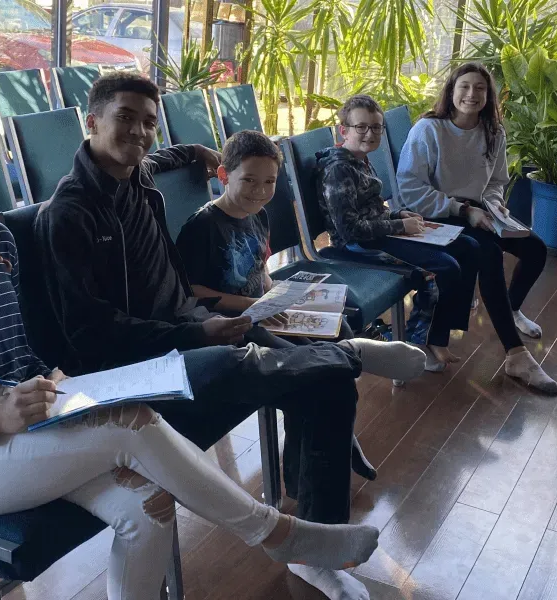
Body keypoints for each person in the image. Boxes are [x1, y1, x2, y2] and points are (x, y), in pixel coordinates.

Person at [0, 96, 383, 600]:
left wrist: (51, 381)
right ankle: (278, 534)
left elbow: (13, 352)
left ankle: (283, 533)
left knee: (148, 506)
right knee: (130, 420)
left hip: (9, 412)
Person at [34, 72, 426, 600]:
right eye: (125, 118)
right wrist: (197, 330)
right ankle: (350, 349)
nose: (140, 132)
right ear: (92, 121)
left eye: (149, 121)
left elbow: (159, 154)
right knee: (256, 361)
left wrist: (194, 151)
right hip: (132, 366)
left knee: (329, 383)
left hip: (185, 328)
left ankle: (315, 552)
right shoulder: (69, 214)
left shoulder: (138, 178)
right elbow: (88, 335)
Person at [396, 62, 557, 395]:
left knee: (535, 249)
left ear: (488, 95)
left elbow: (497, 181)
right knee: (488, 255)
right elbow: (409, 188)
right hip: (436, 213)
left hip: (480, 210)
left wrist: (496, 204)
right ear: (451, 91)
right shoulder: (429, 130)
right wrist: (462, 210)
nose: (472, 94)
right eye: (465, 87)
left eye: (480, 88)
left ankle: (510, 309)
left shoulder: (494, 131)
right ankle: (516, 355)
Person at [316, 95, 480, 372]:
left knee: (469, 246)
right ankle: (425, 341)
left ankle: (442, 328)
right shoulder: (339, 168)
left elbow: (370, 210)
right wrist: (399, 226)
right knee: (445, 266)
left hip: (379, 233)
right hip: (357, 246)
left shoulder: (359, 159)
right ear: (343, 130)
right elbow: (350, 230)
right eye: (361, 127)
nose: (370, 133)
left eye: (376, 127)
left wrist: (396, 215)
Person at [175, 129, 353, 342]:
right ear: (223, 176)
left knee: (340, 329)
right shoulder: (202, 225)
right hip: (231, 321)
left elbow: (260, 268)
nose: (260, 191)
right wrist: (253, 305)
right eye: (249, 180)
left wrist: (279, 294)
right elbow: (191, 291)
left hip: (262, 306)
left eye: (269, 181)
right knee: (307, 351)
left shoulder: (259, 214)